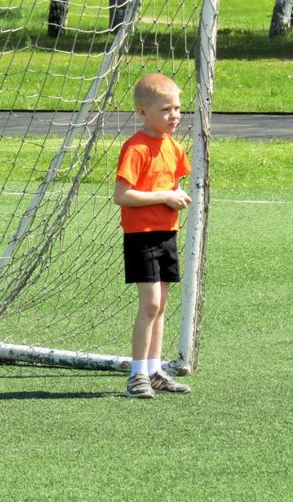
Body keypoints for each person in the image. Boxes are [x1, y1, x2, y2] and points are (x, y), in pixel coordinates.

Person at [114, 73, 193, 399]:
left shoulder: (174, 147)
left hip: (166, 234)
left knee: (161, 308)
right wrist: (165, 196)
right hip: (141, 236)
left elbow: (173, 185)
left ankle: (154, 370)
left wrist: (178, 194)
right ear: (143, 113)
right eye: (166, 109)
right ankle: (136, 376)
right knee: (150, 305)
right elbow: (122, 195)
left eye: (177, 108)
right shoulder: (135, 148)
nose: (175, 115)